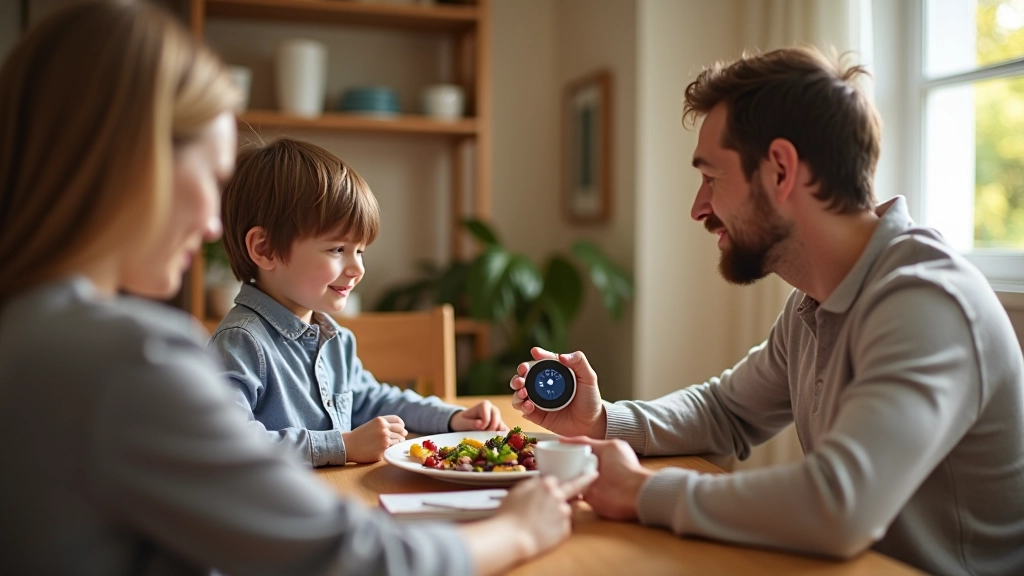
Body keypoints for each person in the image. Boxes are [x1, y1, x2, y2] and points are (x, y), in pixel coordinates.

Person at [0, 2, 593, 574]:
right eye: (210, 177)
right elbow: (351, 559)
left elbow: (366, 399)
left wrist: (447, 418)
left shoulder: (28, 332)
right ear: (130, 164)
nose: (212, 224)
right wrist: (517, 528)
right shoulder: (129, 359)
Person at [509, 46, 1024, 576]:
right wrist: (601, 420)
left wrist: (643, 491)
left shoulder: (927, 302)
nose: (698, 208)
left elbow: (838, 506)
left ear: (780, 170)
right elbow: (725, 412)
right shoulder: (818, 301)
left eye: (712, 177)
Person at [208, 137, 505, 467]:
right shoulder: (240, 342)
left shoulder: (333, 338)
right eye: (337, 249)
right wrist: (343, 445)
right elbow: (225, 441)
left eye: (359, 251)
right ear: (264, 249)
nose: (357, 269)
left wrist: (451, 418)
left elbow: (371, 399)